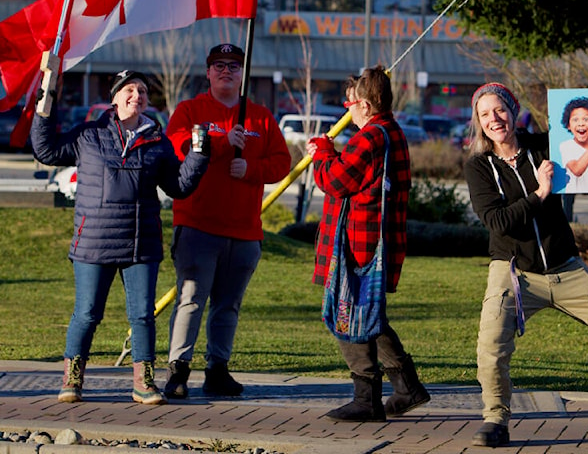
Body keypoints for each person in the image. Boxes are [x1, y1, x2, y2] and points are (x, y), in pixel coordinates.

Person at [463, 82, 588, 448]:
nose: (495, 119)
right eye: (485, 113)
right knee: (491, 347)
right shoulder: (478, 167)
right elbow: (498, 222)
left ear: (514, 109)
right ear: (478, 121)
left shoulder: (546, 146)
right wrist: (539, 193)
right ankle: (495, 420)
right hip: (513, 272)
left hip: (566, 268)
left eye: (500, 109)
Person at [31, 69, 209, 406]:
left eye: (142, 90)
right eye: (128, 89)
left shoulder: (157, 141)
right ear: (114, 98)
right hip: (93, 243)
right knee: (86, 314)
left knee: (142, 315)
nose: (136, 95)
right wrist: (46, 105)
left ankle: (144, 382)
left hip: (140, 245)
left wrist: (199, 154)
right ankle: (72, 379)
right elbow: (46, 151)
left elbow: (179, 187)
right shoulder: (89, 135)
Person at [163, 43, 291, 399]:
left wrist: (251, 168)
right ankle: (178, 371)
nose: (226, 71)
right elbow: (179, 150)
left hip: (244, 231)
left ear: (242, 75)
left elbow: (282, 162)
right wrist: (221, 145)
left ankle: (217, 370)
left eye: (234, 66)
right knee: (190, 299)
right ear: (207, 73)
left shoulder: (260, 117)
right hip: (197, 225)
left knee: (228, 306)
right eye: (218, 65)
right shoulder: (189, 111)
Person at [306, 65, 430, 422]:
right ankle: (407, 387)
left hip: (358, 247)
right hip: (379, 242)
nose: (347, 109)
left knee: (348, 316)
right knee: (372, 316)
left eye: (349, 102)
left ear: (364, 104)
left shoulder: (370, 137)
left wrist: (322, 153)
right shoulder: (392, 132)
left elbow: (335, 181)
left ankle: (366, 396)